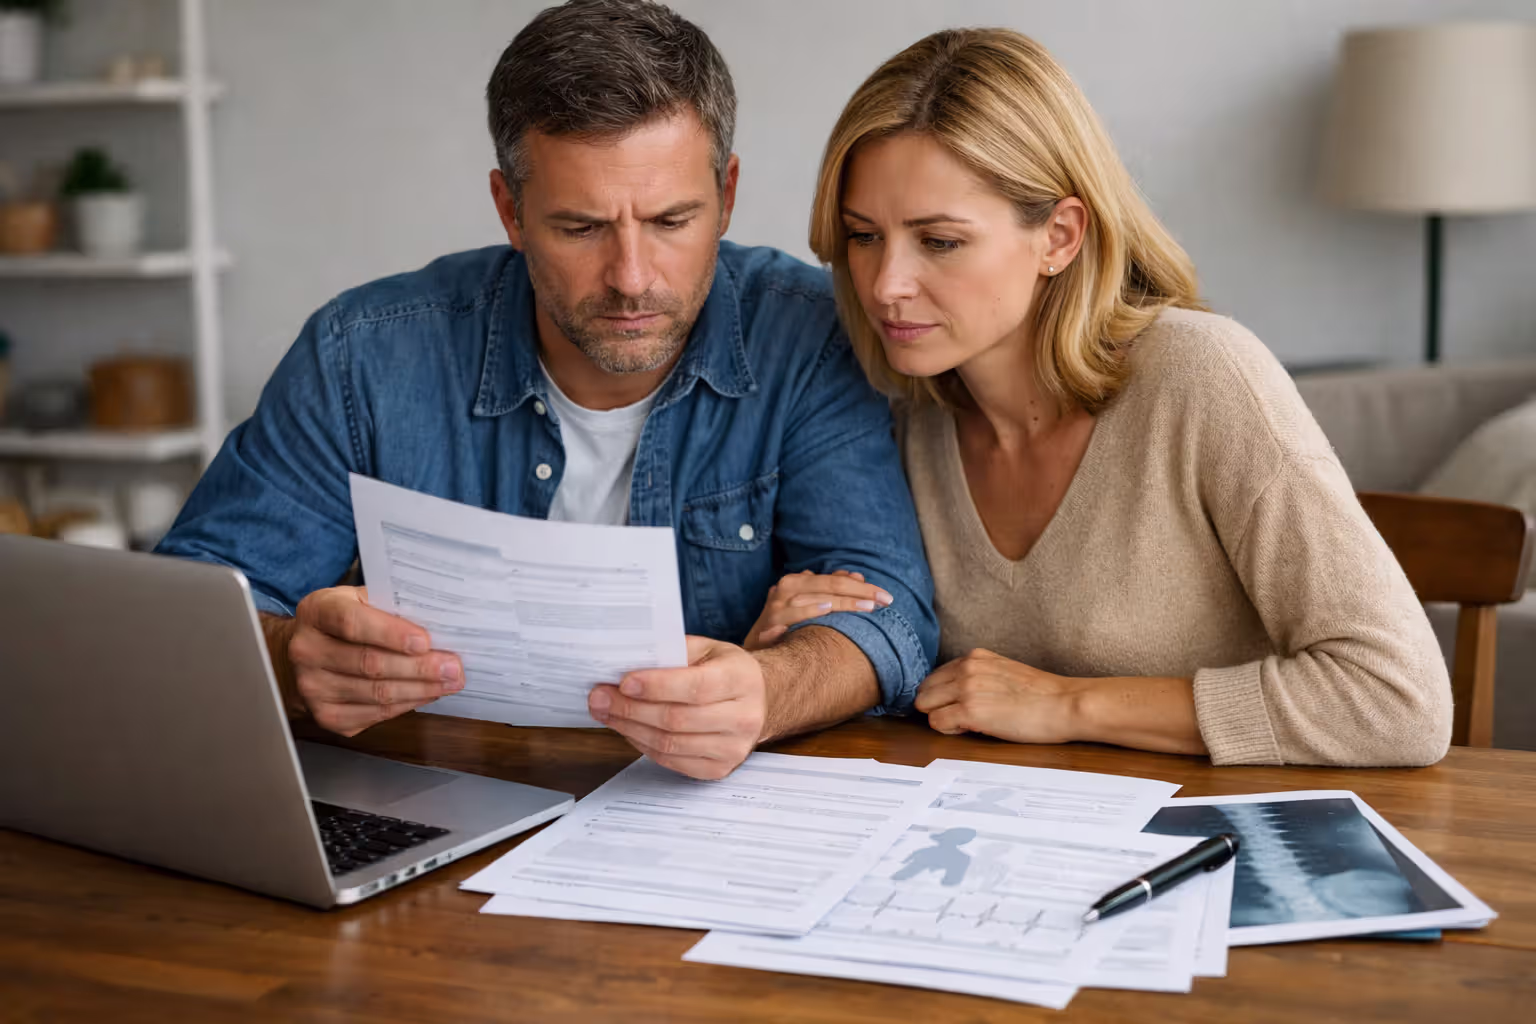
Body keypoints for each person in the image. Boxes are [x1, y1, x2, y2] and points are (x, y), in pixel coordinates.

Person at [155, 0, 937, 781]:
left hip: (694, 816)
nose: (631, 280)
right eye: (580, 228)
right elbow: (189, 609)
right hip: (437, 796)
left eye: (671, 221)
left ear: (727, 196)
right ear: (511, 210)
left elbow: (891, 613)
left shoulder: (807, 334)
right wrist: (293, 658)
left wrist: (768, 689)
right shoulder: (364, 354)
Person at [769, 27, 1452, 767]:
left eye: (938, 241)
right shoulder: (898, 415)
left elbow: (1398, 700)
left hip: (1216, 846)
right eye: (863, 236)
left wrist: (1067, 705)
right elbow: (939, 689)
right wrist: (811, 644)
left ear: (1060, 236)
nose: (884, 285)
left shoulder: (1203, 378)